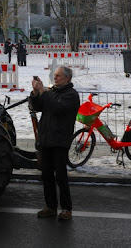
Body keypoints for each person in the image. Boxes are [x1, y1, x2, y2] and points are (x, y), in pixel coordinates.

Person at [30, 66, 80, 221]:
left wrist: (44, 92)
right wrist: (36, 93)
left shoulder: (71, 95)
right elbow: (38, 107)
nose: (55, 78)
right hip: (46, 139)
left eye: (58, 76)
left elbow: (57, 108)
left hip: (59, 140)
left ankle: (66, 208)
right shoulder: (52, 92)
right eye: (55, 75)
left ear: (67, 78)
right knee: (46, 175)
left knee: (61, 176)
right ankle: (50, 206)